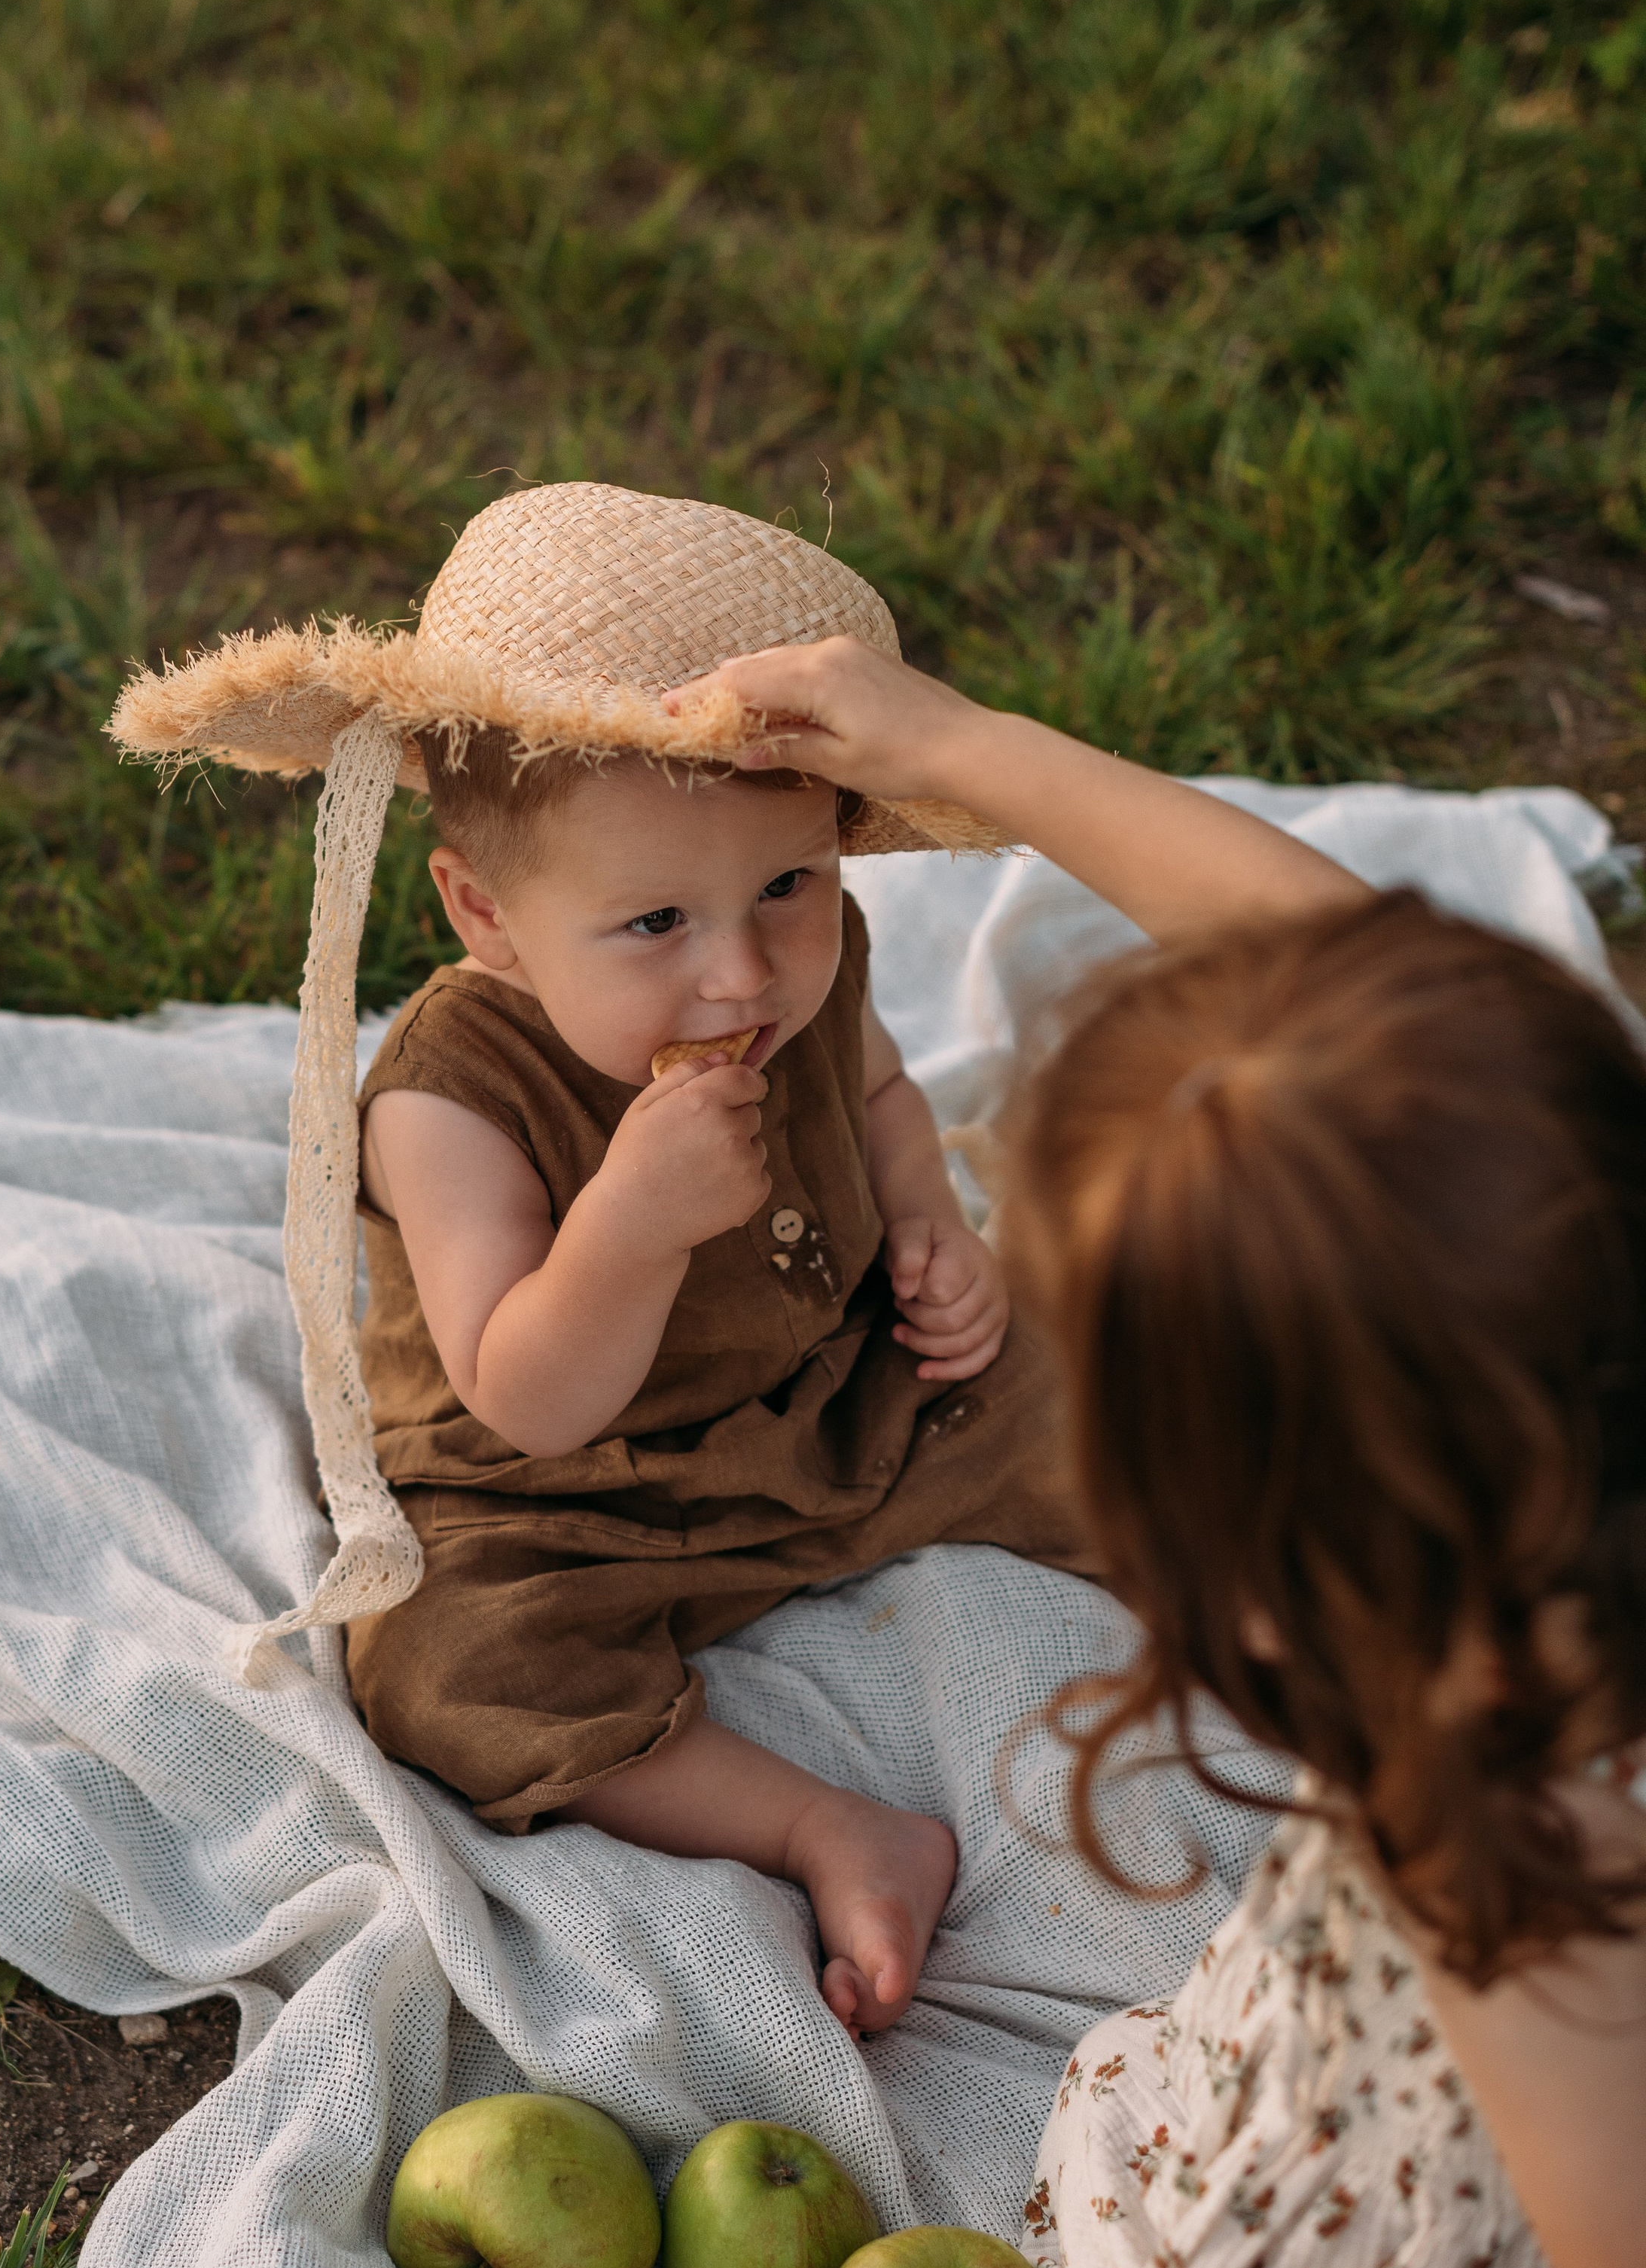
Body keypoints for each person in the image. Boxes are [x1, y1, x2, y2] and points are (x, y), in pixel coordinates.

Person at [671, 629, 1646, 2268]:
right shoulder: (1578, 1264)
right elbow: (1360, 967)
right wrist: (970, 749)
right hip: (1468, 2156)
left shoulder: (1499, 1816)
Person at [331, 488, 1357, 2041]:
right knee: (443, 1667)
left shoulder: (815, 966)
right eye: (656, 921)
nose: (738, 972)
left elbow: (875, 1094)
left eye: (786, 890)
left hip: (849, 1380)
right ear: (487, 915)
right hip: (583, 1494)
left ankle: (1287, 1609)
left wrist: (930, 1220)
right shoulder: (447, 1089)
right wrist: (627, 1221)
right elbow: (523, 1392)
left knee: (1113, 1384)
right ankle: (823, 1828)